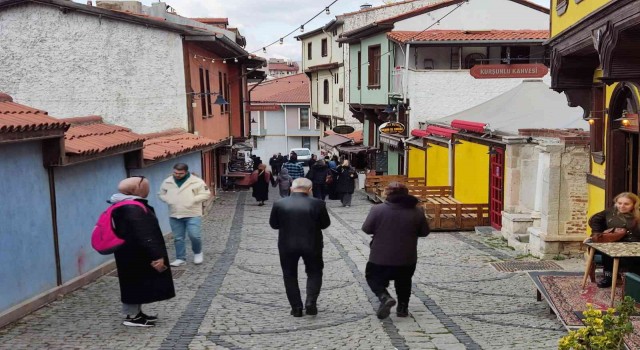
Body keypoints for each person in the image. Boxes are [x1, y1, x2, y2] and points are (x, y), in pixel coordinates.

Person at [111, 176, 176, 327]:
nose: (148, 188)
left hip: (130, 252)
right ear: (136, 190)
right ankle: (132, 317)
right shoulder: (133, 208)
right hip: (136, 253)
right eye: (146, 186)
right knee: (135, 282)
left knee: (136, 282)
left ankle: (136, 313)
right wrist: (156, 255)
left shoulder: (123, 204)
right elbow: (145, 234)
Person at [362, 182, 430, 319]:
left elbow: (367, 228)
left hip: (380, 256)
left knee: (372, 277)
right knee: (404, 280)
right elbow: (424, 232)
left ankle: (384, 296)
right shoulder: (417, 211)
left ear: (387, 193)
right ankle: (403, 308)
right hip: (407, 256)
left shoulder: (378, 210)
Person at [269, 178, 331, 317]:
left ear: (291, 188)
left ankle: (296, 308)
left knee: (289, 275)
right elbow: (325, 224)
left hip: (287, 245)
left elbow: (274, 224)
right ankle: (311, 302)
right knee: (314, 272)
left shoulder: (279, 204)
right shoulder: (318, 204)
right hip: (312, 244)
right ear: (310, 190)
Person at [159, 163, 211, 267]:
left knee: (194, 235)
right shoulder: (168, 181)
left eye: (180, 173)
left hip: (192, 213)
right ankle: (180, 258)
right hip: (175, 214)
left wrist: (193, 200)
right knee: (178, 237)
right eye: (175, 172)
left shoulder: (196, 181)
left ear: (186, 172)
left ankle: (197, 253)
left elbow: (206, 194)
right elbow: (161, 193)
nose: (177, 175)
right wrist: (168, 199)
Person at [586, 192, 640, 288]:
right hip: (614, 241)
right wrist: (596, 233)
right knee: (608, 250)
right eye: (619, 203)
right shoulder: (610, 212)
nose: (622, 206)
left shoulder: (638, 215)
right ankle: (609, 277)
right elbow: (595, 220)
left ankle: (633, 279)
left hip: (634, 243)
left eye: (626, 204)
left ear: (634, 204)